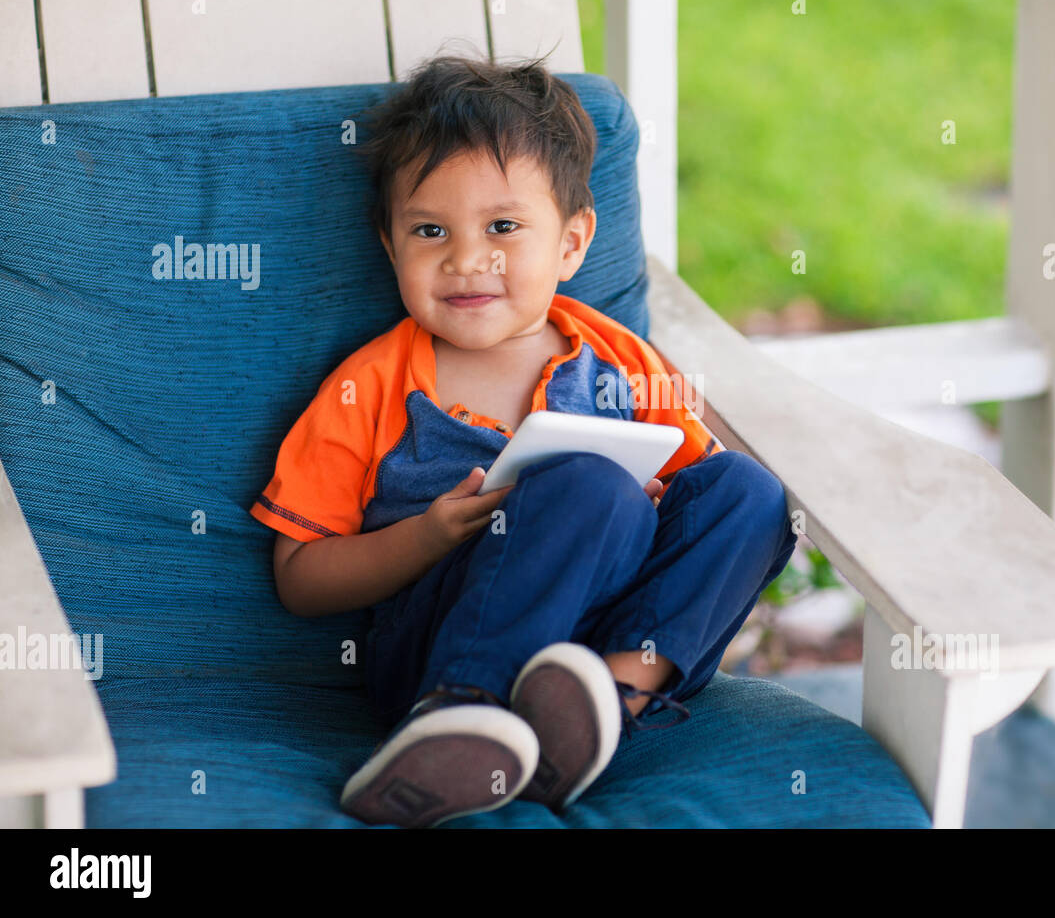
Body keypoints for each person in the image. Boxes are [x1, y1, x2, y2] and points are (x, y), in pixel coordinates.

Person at [248, 55, 798, 828]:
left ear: (572, 244)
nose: (467, 258)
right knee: (592, 486)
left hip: (607, 634)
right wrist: (426, 536)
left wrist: (640, 509)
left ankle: (609, 701)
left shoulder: (622, 361)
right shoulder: (367, 386)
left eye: (504, 227)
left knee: (749, 490)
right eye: (430, 230)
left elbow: (702, 514)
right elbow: (300, 579)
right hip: (437, 647)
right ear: (389, 244)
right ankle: (456, 722)